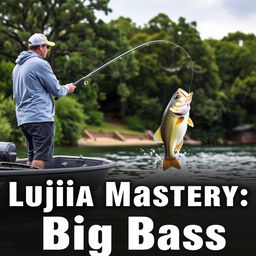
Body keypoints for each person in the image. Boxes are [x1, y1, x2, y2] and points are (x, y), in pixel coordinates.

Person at [12, 33, 76, 168]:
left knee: (32, 154)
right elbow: (57, 90)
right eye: (47, 46)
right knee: (41, 155)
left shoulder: (17, 67)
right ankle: (33, 185)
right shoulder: (40, 63)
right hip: (40, 118)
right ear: (41, 47)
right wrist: (68, 88)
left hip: (24, 120)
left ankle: (25, 183)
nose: (47, 49)